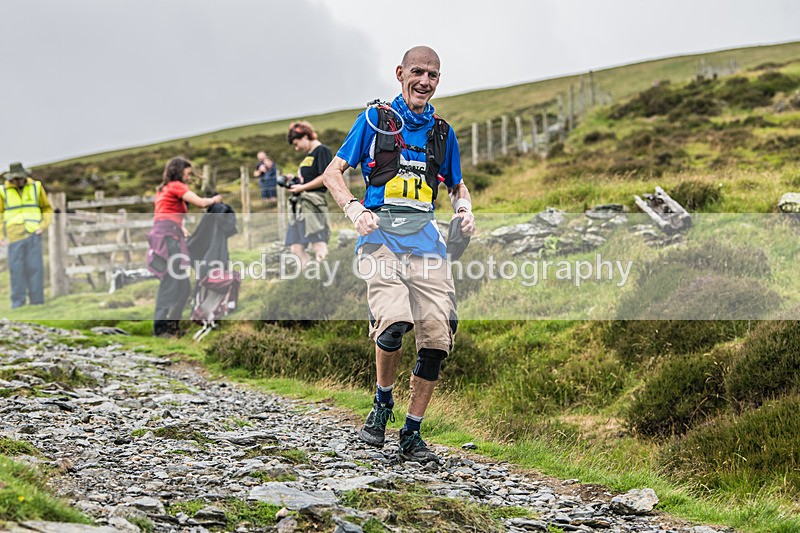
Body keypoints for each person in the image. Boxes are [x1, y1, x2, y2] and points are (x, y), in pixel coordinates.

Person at [322, 46, 476, 462]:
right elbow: (332, 173)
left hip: (428, 244)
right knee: (393, 324)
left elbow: (456, 184)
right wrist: (355, 210)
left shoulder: (442, 132)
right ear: (400, 73)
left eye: (433, 75)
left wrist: (464, 209)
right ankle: (382, 402)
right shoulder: (375, 120)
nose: (424, 81)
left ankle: (412, 432)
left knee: (437, 339)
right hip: (380, 241)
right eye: (418, 72)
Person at [146, 157, 222, 337]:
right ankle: (160, 329)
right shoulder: (176, 186)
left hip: (167, 235)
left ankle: (172, 326)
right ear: (179, 172)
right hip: (168, 239)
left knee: (182, 286)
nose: (188, 178)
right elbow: (200, 203)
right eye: (187, 174)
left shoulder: (164, 189)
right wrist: (214, 200)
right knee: (170, 283)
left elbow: (163, 215)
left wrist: (180, 229)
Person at [0, 162, 53, 309]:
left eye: (20, 178)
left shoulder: (36, 187)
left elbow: (46, 208)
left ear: (25, 176)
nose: (19, 181)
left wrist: (43, 225)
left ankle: (37, 302)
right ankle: (18, 304)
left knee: (35, 268)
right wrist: (1, 236)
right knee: (16, 270)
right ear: (10, 178)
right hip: (14, 235)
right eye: (15, 179)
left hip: (33, 233)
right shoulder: (3, 191)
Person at [284, 121, 332, 266]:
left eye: (296, 143)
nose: (296, 148)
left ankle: (324, 274)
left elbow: (326, 177)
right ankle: (308, 275)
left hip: (313, 204)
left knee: (317, 243)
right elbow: (308, 178)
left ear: (305, 136)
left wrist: (302, 187)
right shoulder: (307, 157)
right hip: (300, 206)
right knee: (296, 247)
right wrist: (295, 180)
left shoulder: (322, 150)